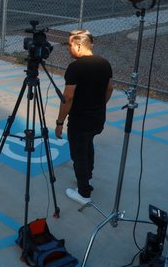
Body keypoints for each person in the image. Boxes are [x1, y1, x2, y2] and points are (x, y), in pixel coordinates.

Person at [55, 29, 113, 206]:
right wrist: (99, 105)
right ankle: (87, 177)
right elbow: (110, 88)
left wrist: (59, 122)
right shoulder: (104, 63)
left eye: (70, 45)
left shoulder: (75, 68)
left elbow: (68, 97)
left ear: (79, 46)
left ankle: (84, 193)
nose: (68, 48)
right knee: (88, 145)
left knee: (78, 154)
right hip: (97, 117)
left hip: (80, 120)